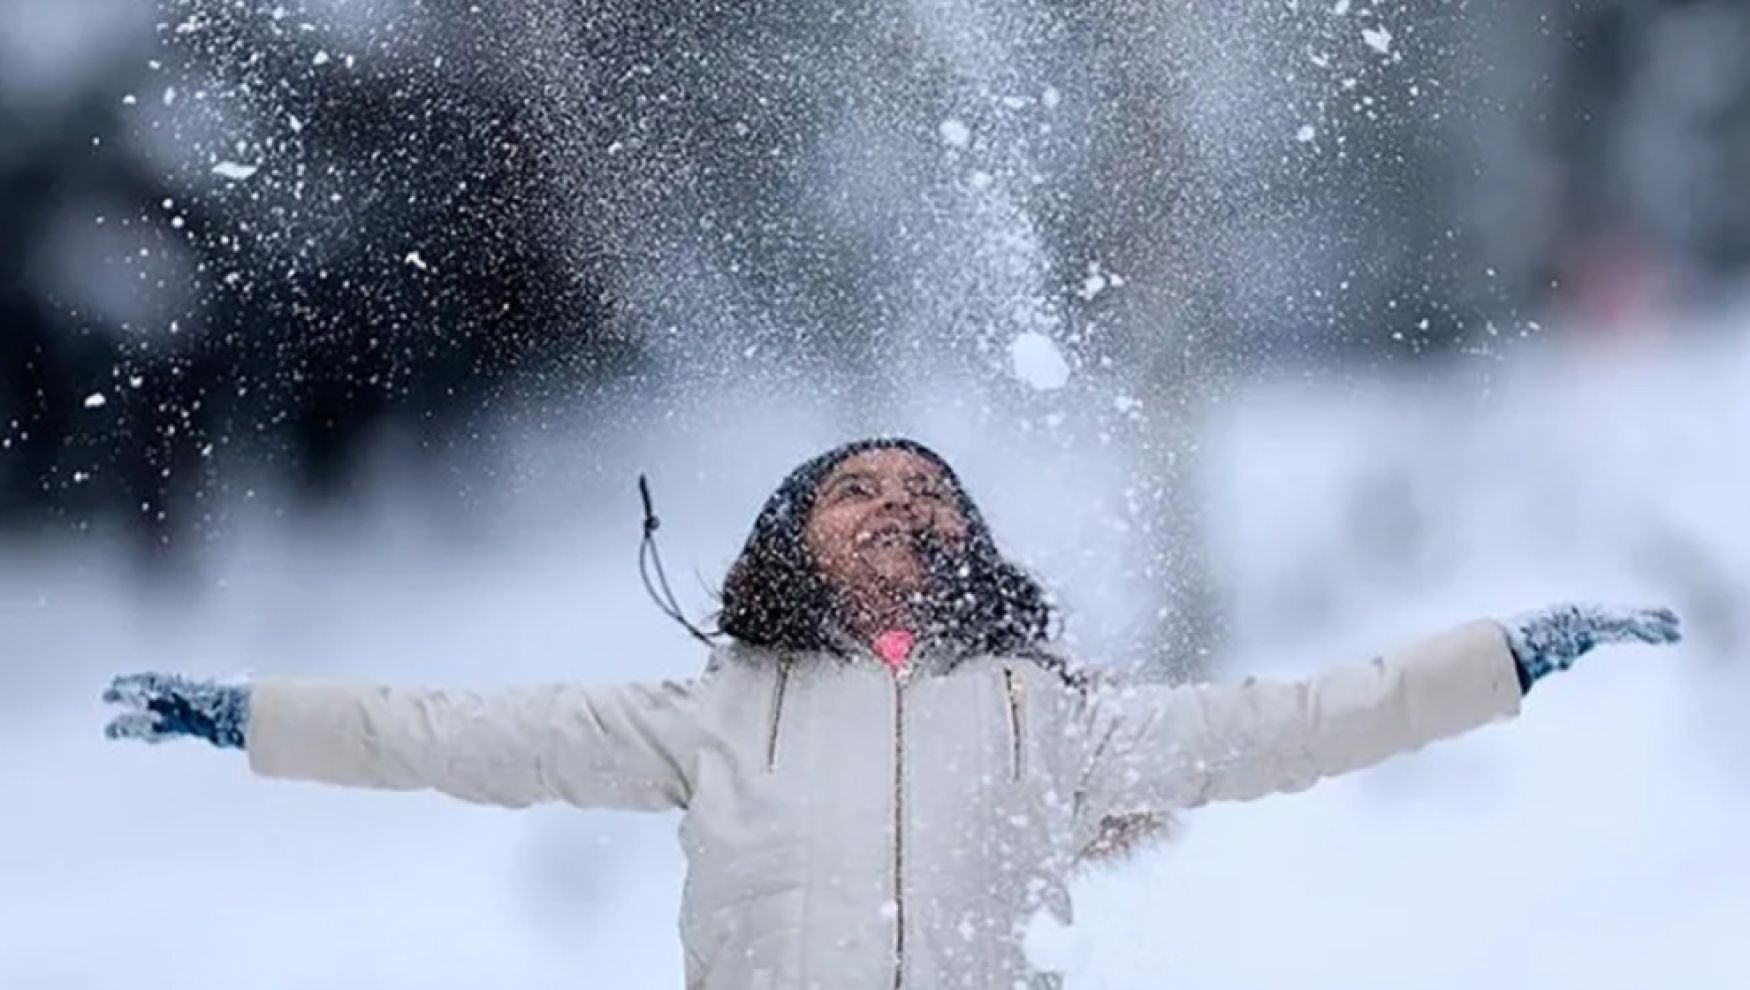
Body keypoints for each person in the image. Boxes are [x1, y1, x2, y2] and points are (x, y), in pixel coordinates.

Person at [103, 437, 1682, 990]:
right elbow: (444, 729)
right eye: (854, 487)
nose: (893, 506)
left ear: (969, 545)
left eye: (927, 493)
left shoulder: (1046, 719)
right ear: (789, 537)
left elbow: (1300, 719)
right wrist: (247, 714)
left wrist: (1507, 655)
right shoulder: (710, 713)